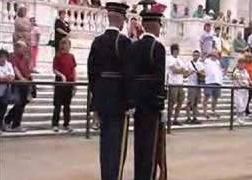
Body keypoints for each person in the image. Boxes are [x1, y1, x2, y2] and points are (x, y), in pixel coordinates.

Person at [87, 2, 131, 180]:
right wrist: (130, 100)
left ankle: (106, 175)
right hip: (119, 99)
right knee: (117, 143)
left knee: (105, 141)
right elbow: (129, 74)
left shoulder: (97, 42)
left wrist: (96, 100)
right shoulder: (125, 43)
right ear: (121, 20)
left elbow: (92, 74)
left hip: (103, 97)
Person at [126, 8, 167, 179]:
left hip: (138, 103)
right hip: (152, 104)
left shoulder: (134, 46)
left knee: (139, 144)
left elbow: (130, 75)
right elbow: (159, 79)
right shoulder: (157, 48)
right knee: (151, 146)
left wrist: (131, 100)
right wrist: (161, 104)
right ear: (156, 25)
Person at [4, 41, 32, 132]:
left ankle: (8, 120)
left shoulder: (25, 58)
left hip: (25, 83)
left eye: (25, 48)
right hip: (17, 83)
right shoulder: (12, 57)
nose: (24, 50)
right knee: (19, 103)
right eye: (22, 48)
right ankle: (15, 124)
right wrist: (21, 78)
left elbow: (28, 70)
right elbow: (14, 68)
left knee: (23, 103)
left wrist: (29, 82)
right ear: (16, 48)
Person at [52, 38, 77, 132]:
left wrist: (75, 83)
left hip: (69, 82)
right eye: (63, 44)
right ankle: (55, 124)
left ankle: (66, 124)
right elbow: (54, 69)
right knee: (57, 105)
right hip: (60, 82)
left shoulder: (71, 56)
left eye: (66, 44)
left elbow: (74, 69)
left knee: (67, 105)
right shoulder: (57, 56)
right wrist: (61, 75)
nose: (64, 46)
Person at [166, 44, 186, 126]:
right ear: (174, 50)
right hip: (172, 83)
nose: (178, 51)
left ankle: (175, 118)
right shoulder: (169, 59)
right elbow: (174, 70)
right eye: (177, 50)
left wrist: (180, 70)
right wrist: (180, 70)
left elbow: (184, 71)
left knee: (180, 100)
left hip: (180, 83)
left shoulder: (180, 60)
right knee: (172, 102)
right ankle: (169, 119)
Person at [233, 58, 252, 124]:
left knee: (244, 104)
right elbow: (239, 80)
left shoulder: (245, 71)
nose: (242, 65)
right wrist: (246, 85)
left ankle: (241, 118)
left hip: (245, 90)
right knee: (239, 104)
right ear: (238, 64)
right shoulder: (236, 71)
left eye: (243, 63)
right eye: (241, 63)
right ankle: (238, 117)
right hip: (239, 90)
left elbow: (248, 80)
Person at [184, 50, 205, 124]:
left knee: (196, 102)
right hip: (191, 84)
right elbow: (185, 75)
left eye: (197, 55)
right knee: (189, 102)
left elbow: (204, 73)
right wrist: (191, 72)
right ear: (192, 55)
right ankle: (188, 117)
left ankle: (194, 117)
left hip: (198, 84)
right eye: (194, 55)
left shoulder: (200, 64)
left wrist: (199, 72)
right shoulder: (188, 63)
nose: (196, 56)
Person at [203, 50, 224, 119]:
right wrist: (208, 54)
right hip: (209, 81)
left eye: (216, 54)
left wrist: (220, 58)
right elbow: (202, 59)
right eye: (214, 53)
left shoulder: (218, 62)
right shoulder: (207, 60)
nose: (215, 55)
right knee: (207, 96)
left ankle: (213, 111)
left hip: (217, 81)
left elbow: (224, 67)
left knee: (215, 98)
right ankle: (205, 112)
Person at [0, 49, 15, 133]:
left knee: (3, 108)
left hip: (5, 90)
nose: (3, 59)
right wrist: (5, 78)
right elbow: (0, 78)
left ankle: (0, 125)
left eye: (5, 57)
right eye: (1, 57)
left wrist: (9, 78)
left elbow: (12, 75)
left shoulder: (9, 64)